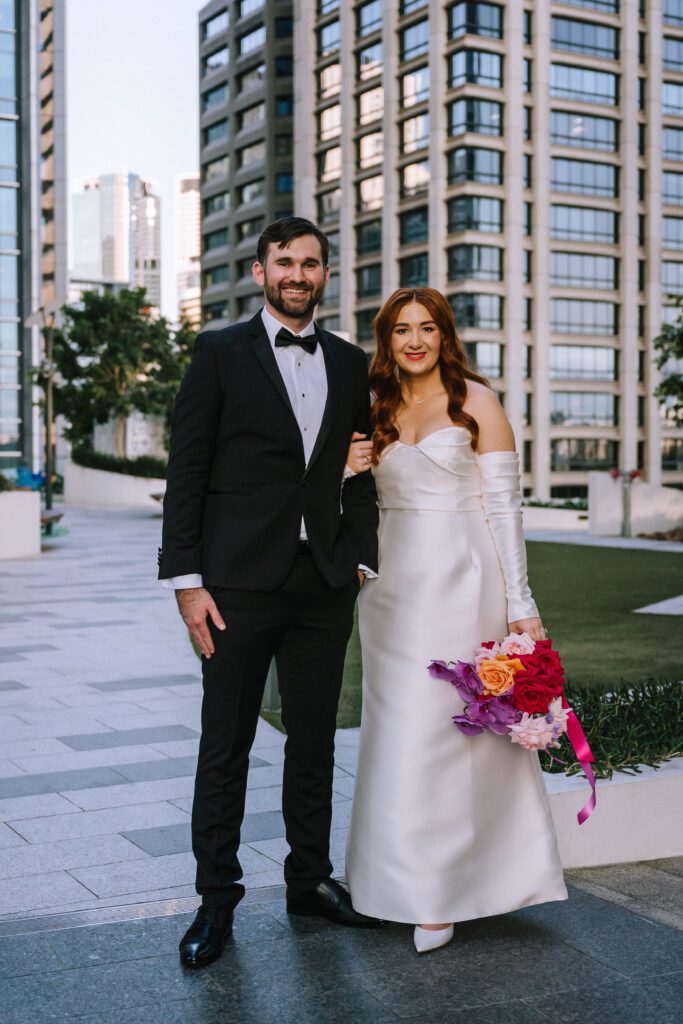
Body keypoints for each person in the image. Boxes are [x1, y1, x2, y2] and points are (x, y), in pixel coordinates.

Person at [158, 217, 381, 969]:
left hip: (321, 585)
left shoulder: (351, 364)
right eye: (283, 261)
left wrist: (358, 561)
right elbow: (186, 471)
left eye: (310, 262)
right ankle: (215, 902)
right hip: (234, 588)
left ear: (325, 274)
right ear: (259, 271)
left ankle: (308, 881)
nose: (297, 273)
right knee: (226, 745)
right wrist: (187, 583)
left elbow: (360, 473)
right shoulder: (219, 352)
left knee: (314, 742)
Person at [344, 288, 567, 954]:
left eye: (427, 328)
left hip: (463, 583)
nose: (414, 340)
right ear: (386, 340)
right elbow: (345, 501)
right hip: (389, 592)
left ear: (445, 335)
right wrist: (340, 472)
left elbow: (504, 512)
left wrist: (521, 604)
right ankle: (392, 883)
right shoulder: (373, 406)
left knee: (452, 734)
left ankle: (443, 894)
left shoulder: (478, 401)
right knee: (395, 732)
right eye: (401, 330)